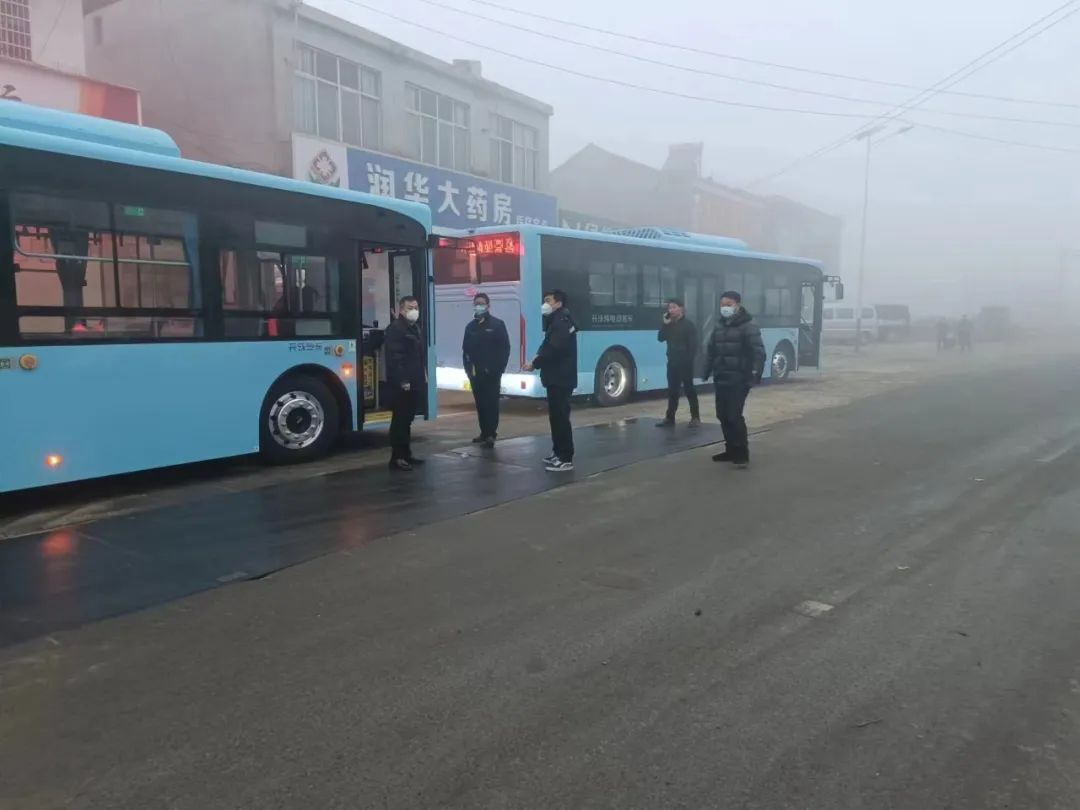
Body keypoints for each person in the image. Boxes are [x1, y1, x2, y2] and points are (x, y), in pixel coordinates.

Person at [704, 291, 766, 468]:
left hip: (739, 378)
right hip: (721, 376)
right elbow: (711, 350)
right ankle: (730, 449)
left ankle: (741, 453)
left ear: (737, 305)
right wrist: (706, 370)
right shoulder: (719, 326)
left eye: (728, 304)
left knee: (733, 415)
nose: (725, 308)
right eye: (722, 304)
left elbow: (759, 352)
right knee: (722, 415)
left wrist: (755, 373)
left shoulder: (748, 326)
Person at [524, 289, 578, 472]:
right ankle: (557, 452)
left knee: (561, 418)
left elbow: (553, 348)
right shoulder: (555, 321)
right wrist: (536, 357)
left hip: (561, 378)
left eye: (548, 300)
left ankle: (565, 458)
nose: (545, 304)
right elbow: (547, 345)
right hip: (555, 377)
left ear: (558, 303)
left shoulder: (562, 322)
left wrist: (534, 363)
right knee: (555, 418)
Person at [463, 292, 511, 448]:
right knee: (480, 404)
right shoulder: (470, 327)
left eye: (482, 303)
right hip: (476, 374)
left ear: (488, 306)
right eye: (476, 303)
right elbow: (465, 350)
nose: (479, 306)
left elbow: (505, 349)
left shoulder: (497, 325)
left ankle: (491, 433)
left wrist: (499, 369)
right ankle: (483, 432)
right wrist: (468, 370)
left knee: (491, 403)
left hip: (492, 374)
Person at [384, 296, 427, 471]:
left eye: (416, 307)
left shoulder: (414, 328)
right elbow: (395, 358)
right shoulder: (396, 329)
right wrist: (403, 380)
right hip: (402, 383)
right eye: (410, 308)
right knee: (400, 421)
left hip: (415, 380)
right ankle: (397, 457)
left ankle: (407, 454)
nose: (414, 311)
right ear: (401, 310)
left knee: (407, 419)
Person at [656, 297, 701, 427]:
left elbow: (693, 346)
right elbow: (660, 338)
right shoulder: (669, 325)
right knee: (672, 391)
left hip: (685, 363)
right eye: (669, 308)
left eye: (674, 307)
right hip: (672, 362)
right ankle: (670, 418)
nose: (671, 310)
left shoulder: (688, 325)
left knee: (689, 390)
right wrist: (665, 324)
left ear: (681, 308)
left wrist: (688, 360)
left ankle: (695, 417)